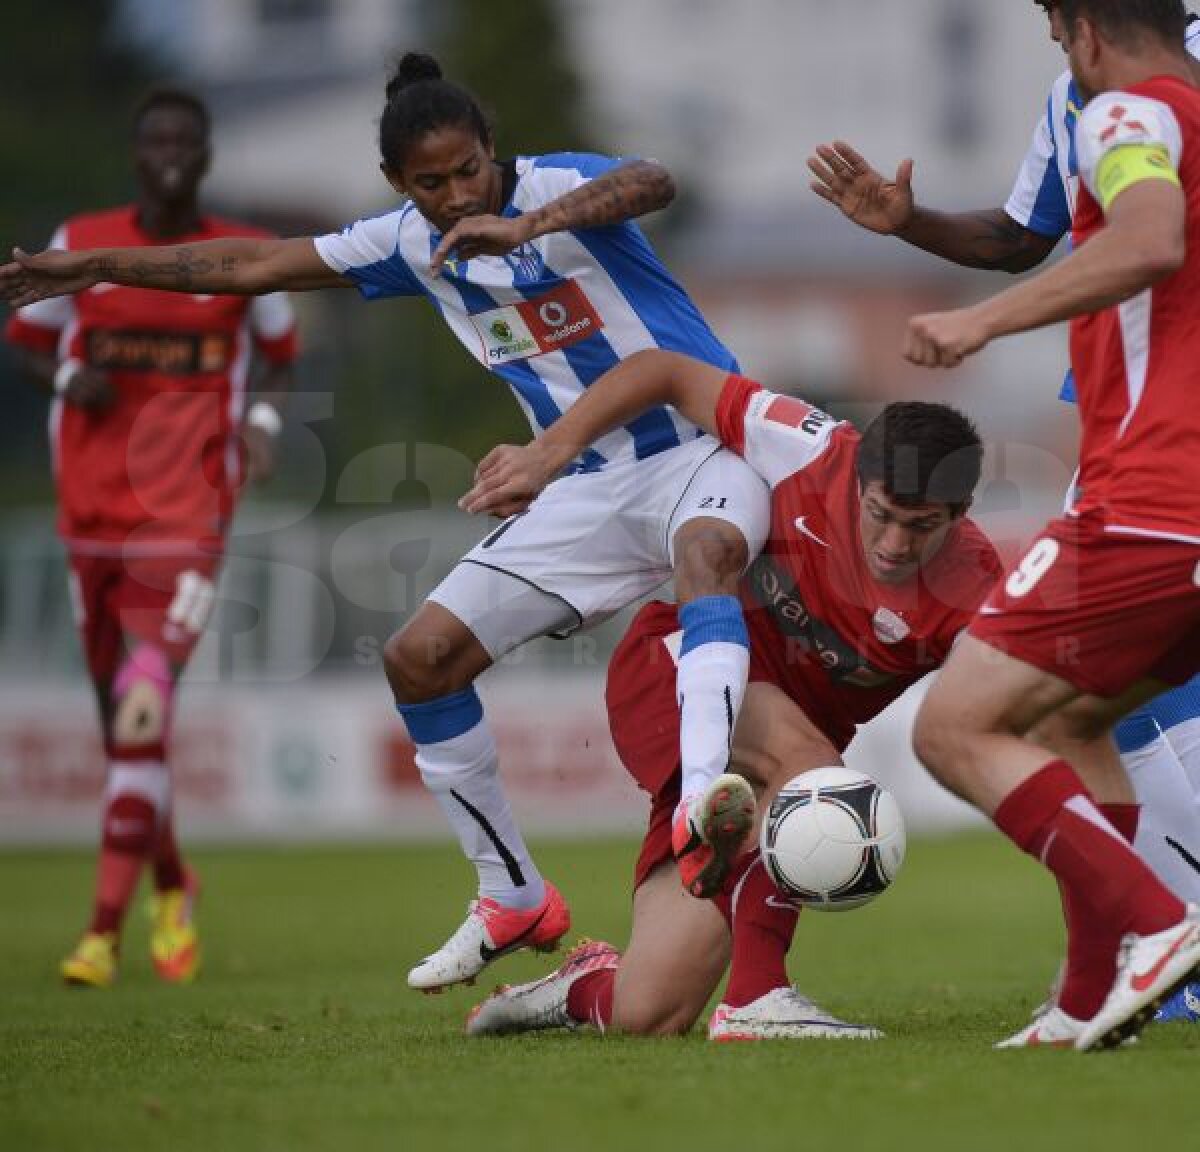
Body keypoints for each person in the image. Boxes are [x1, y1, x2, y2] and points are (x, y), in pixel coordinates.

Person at [0, 53, 773, 992]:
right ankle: (513, 894)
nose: (456, 196)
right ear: (396, 183)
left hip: (703, 448)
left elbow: (653, 180)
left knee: (707, 554)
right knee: (420, 658)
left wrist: (525, 225)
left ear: (492, 148)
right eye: (429, 183)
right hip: (586, 483)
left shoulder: (552, 187)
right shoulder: (404, 244)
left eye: (468, 171)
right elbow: (252, 265)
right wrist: (91, 268)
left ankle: (701, 810)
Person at [806, 0, 1200, 1023]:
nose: (1056, 49)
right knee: (1077, 717)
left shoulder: (1125, 113)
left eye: (1056, 28)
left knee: (956, 728)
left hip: (1158, 493)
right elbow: (1039, 236)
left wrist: (980, 323)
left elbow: (1149, 240)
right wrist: (917, 225)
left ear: (1086, 28)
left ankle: (1164, 923)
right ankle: (1091, 999)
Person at [456, 347, 1001, 1039]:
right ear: (858, 478)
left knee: (649, 1013)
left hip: (763, 766)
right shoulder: (808, 445)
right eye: (880, 514)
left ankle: (582, 983)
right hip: (677, 666)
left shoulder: (977, 590)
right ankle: (757, 1000)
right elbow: (663, 371)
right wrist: (547, 454)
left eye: (921, 527)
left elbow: (1012, 699)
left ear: (961, 513)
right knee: (812, 771)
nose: (894, 543)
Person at [2, 88, 299, 987]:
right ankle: (173, 883)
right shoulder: (83, 240)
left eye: (184, 140)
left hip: (189, 519)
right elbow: (26, 338)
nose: (169, 152)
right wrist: (64, 378)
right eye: (155, 139)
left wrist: (261, 427)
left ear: (204, 156)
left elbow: (281, 359)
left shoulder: (241, 253)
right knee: (126, 729)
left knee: (141, 707)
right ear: (137, 155)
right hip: (90, 522)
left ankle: (100, 934)